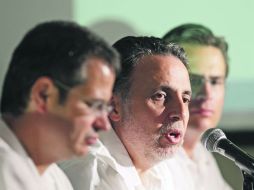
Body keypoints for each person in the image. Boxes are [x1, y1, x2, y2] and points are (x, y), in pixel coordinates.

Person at [59, 36, 192, 190]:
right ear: (114, 106)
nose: (181, 112)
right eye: (160, 96)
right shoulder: (85, 174)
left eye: (185, 99)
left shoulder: (170, 170)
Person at [0, 21, 120, 190]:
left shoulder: (56, 179)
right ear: (43, 95)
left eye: (105, 108)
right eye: (93, 105)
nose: (104, 125)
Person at [162, 23, 232, 190]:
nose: (206, 93)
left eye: (215, 81)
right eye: (194, 80)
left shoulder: (203, 155)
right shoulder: (153, 158)